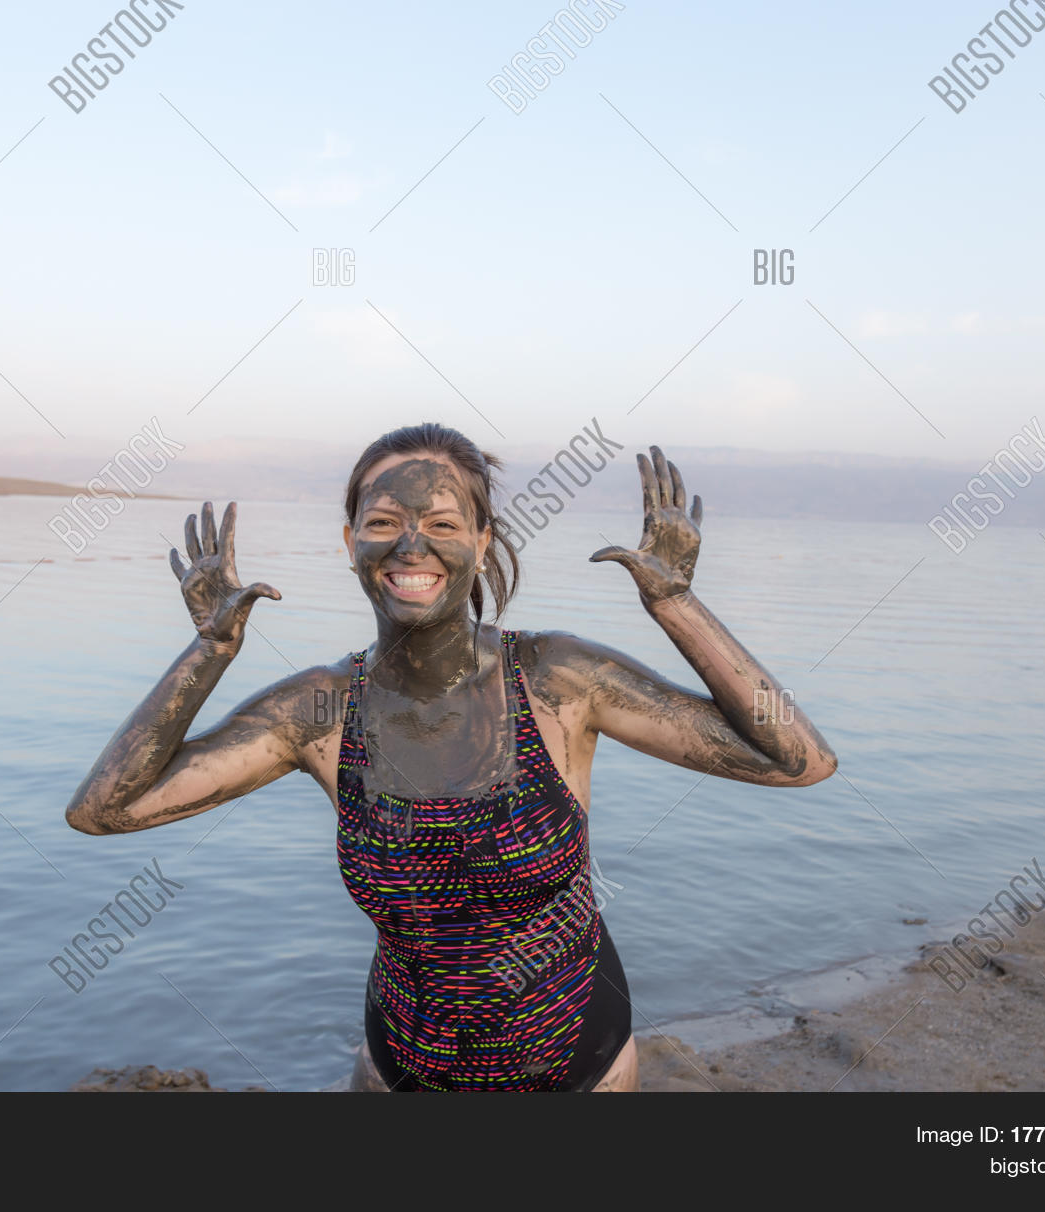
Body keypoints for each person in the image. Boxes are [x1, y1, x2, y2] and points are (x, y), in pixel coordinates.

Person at [65, 422, 838, 1091]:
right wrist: (209, 650)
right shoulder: (319, 713)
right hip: (402, 1067)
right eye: (383, 521)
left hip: (578, 1065)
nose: (410, 544)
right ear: (349, 542)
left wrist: (677, 606)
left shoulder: (558, 682)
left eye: (440, 521)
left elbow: (798, 759)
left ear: (482, 540)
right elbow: (104, 811)